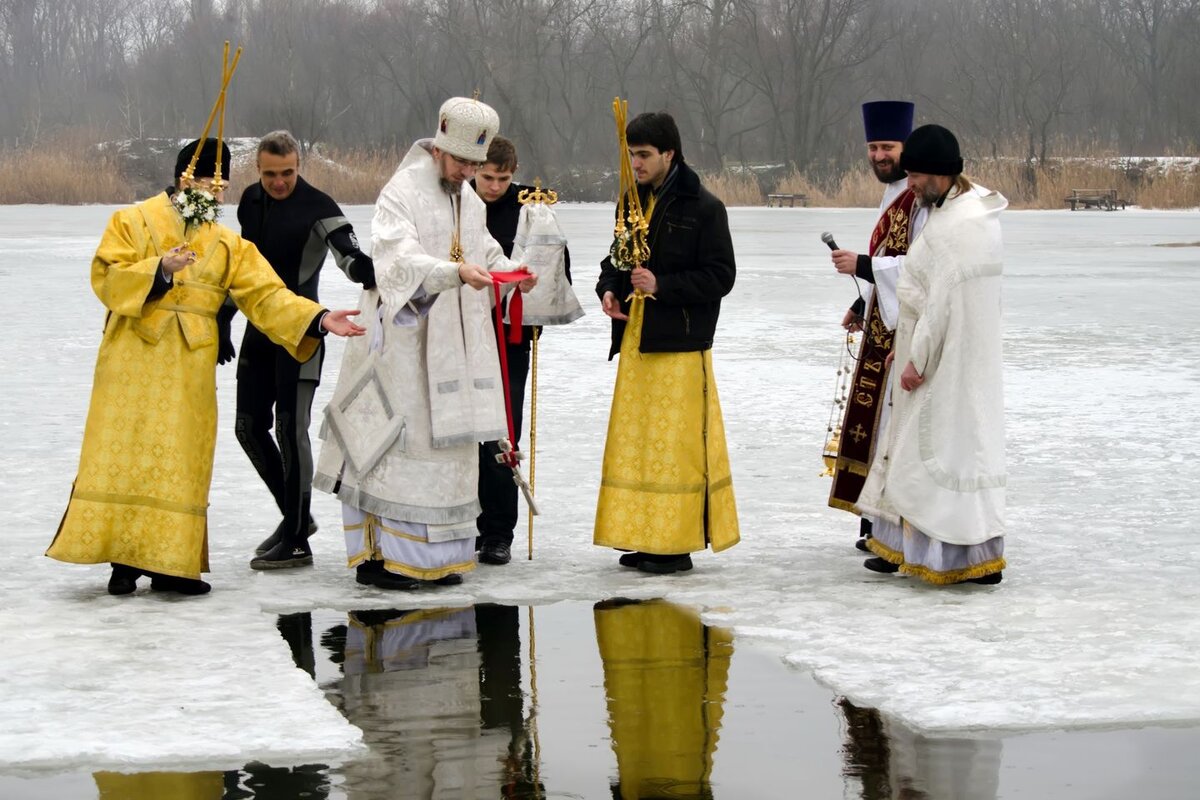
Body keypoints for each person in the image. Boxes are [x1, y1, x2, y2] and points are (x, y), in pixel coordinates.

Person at [45, 138, 365, 596]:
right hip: (132, 361)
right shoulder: (131, 221)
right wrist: (160, 268)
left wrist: (316, 317)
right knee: (128, 456)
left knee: (181, 461)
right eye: (202, 182)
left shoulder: (226, 243)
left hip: (190, 367)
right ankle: (122, 563)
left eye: (219, 187)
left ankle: (171, 565)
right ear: (181, 177)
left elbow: (266, 295)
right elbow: (107, 277)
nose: (211, 194)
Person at [313, 96, 535, 590]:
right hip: (403, 343)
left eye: (476, 166)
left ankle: (437, 558)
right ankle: (383, 560)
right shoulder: (402, 191)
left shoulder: (469, 197)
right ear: (440, 146)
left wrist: (511, 275)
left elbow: (486, 251)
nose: (468, 174)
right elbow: (395, 261)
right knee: (394, 448)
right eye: (462, 163)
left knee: (444, 448)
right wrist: (453, 273)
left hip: (452, 345)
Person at [854, 124, 1008, 586]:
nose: (912, 184)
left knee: (931, 456)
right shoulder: (973, 213)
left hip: (942, 360)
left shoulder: (952, 229)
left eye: (918, 175)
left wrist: (915, 362)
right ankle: (963, 551)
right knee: (962, 450)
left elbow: (938, 308)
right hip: (968, 358)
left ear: (941, 174)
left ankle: (951, 555)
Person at [593, 111, 739, 574]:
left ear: (668, 154)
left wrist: (662, 285)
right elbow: (616, 258)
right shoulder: (630, 200)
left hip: (680, 344)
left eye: (643, 155)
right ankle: (645, 536)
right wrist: (609, 288)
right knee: (638, 442)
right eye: (630, 154)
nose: (635, 163)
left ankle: (675, 544)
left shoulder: (704, 206)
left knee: (675, 448)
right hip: (637, 340)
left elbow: (721, 276)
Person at [226, 130, 377, 570]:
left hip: (304, 334)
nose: (279, 182)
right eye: (271, 174)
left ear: (299, 166)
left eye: (287, 173)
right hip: (260, 330)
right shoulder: (250, 202)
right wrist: (223, 319)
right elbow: (242, 269)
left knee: (290, 430)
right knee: (247, 428)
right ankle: (296, 519)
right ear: (258, 169)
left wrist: (370, 272)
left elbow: (348, 255)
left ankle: (296, 540)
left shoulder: (319, 206)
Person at [827, 101, 926, 552]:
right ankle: (874, 521)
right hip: (881, 324)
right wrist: (859, 301)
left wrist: (864, 265)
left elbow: (922, 268)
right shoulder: (893, 193)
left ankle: (889, 525)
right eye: (872, 147)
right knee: (877, 427)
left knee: (892, 430)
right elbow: (892, 260)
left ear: (907, 147)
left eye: (887, 146)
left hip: (906, 332)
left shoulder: (920, 196)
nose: (879, 156)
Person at [471, 135, 572, 566]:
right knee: (460, 430)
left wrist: (533, 314)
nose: (493, 186)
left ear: (513, 173)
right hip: (460, 332)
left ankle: (498, 532)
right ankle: (462, 524)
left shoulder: (530, 208)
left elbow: (555, 267)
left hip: (510, 335)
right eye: (486, 177)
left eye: (502, 178)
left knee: (502, 431)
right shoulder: (456, 201)